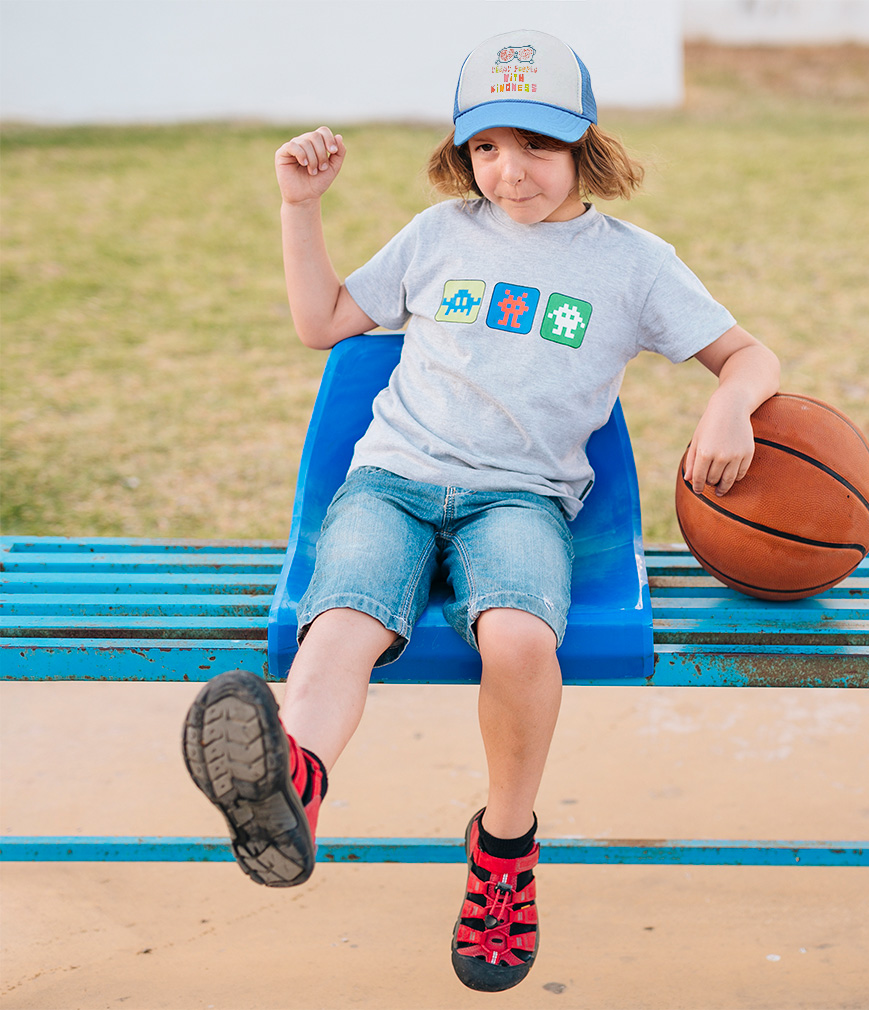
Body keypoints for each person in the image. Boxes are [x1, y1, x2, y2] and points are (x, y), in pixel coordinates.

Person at [183, 29, 780, 993]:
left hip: (520, 498)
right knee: (340, 620)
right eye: (487, 147)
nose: (510, 171)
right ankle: (293, 784)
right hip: (391, 481)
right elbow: (322, 322)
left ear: (584, 142)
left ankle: (504, 852)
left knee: (519, 639)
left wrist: (730, 402)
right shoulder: (438, 234)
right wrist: (300, 206)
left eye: (537, 145)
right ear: (463, 153)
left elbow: (749, 354)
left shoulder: (633, 264)